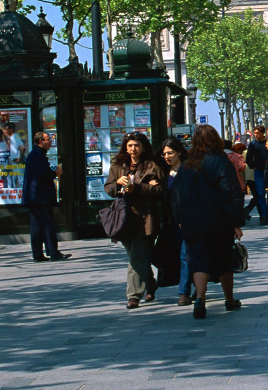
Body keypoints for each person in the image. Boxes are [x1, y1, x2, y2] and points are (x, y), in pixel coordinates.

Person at [169, 124, 246, 320]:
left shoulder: (186, 165)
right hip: (218, 220)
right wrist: (235, 222)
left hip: (192, 221)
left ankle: (200, 300)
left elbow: (176, 194)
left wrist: (179, 218)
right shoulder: (221, 162)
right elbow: (231, 192)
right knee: (223, 259)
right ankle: (229, 298)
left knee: (198, 260)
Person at [105, 131, 165, 309]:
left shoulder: (152, 166)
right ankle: (150, 283)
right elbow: (108, 188)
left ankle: (133, 296)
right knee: (135, 255)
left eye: (137, 145)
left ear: (143, 147)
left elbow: (159, 191)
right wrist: (117, 184)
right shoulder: (118, 165)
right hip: (124, 218)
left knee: (137, 256)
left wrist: (137, 187)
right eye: (130, 145)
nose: (133, 149)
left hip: (145, 217)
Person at [22, 132, 69, 262]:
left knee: (36, 225)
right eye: (48, 139)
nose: (50, 142)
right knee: (47, 224)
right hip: (40, 196)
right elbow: (43, 174)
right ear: (40, 141)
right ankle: (53, 252)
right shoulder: (38, 155)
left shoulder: (35, 154)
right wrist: (56, 172)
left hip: (34, 197)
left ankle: (38, 253)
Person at [161, 138, 194, 306]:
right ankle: (198, 284)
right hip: (170, 222)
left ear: (179, 152)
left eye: (170, 153)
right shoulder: (163, 172)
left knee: (185, 255)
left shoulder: (189, 169)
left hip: (188, 219)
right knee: (182, 255)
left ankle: (184, 292)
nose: (167, 156)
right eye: (164, 153)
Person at [245, 126, 268, 224]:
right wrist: (253, 166)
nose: (256, 135)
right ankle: (263, 215)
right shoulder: (253, 144)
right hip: (258, 171)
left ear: (263, 133)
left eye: (258, 133)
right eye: (255, 133)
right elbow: (248, 158)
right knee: (260, 194)